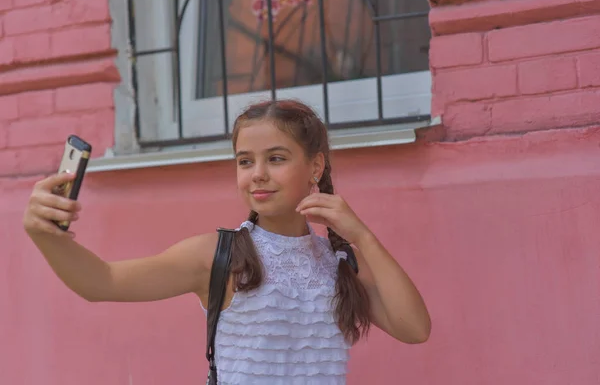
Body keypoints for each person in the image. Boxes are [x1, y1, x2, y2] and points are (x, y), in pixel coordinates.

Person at [23, 99, 431, 384]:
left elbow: (415, 329)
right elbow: (103, 282)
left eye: (276, 158)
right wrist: (45, 235)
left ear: (316, 166)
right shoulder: (219, 255)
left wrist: (362, 236)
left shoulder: (338, 262)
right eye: (244, 161)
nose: (257, 174)